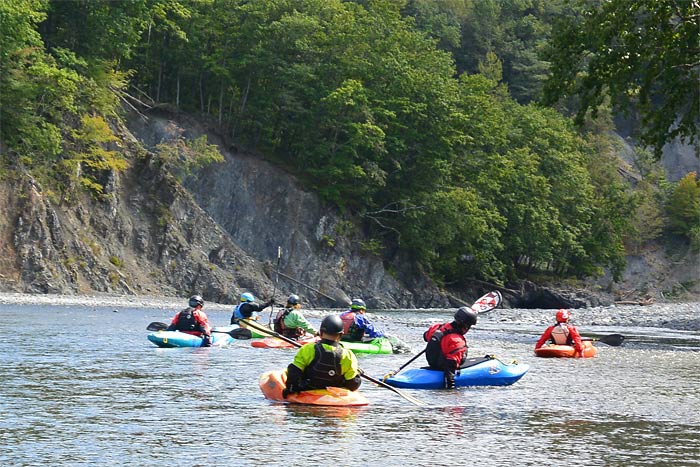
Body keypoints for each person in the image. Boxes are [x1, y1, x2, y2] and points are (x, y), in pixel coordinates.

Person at [283, 314, 362, 397]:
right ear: (341, 335)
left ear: (321, 332)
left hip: (308, 389)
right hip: (334, 393)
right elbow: (352, 384)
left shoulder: (308, 348)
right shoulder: (348, 355)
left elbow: (294, 372)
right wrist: (357, 374)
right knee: (356, 377)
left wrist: (290, 389)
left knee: (292, 368)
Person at [422, 306, 478, 389]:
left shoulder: (437, 327)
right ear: (465, 325)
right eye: (469, 326)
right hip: (443, 365)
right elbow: (450, 367)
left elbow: (425, 336)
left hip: (432, 362)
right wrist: (450, 388)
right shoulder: (457, 341)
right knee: (461, 351)